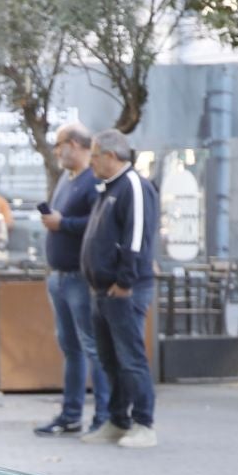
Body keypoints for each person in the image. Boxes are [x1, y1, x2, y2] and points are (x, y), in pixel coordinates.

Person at [79, 129, 161, 449]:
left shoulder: (134, 187)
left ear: (111, 156)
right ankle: (118, 419)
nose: (92, 164)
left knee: (130, 358)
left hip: (124, 290)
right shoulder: (109, 189)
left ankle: (144, 423)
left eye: (95, 157)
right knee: (110, 359)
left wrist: (125, 282)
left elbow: (136, 237)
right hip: (102, 291)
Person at [35, 124, 107, 435]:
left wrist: (63, 223)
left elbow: (97, 223)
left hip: (80, 277)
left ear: (75, 144)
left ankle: (103, 416)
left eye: (59, 144)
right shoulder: (66, 178)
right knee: (71, 347)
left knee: (91, 347)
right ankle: (71, 413)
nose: (56, 151)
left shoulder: (94, 180)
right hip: (59, 277)